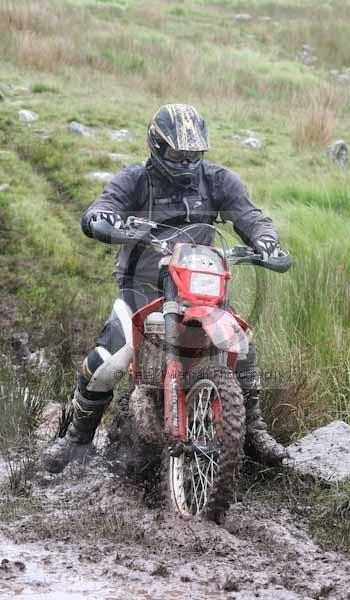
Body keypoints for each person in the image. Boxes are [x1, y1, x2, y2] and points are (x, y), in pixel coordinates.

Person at [42, 103, 288, 474]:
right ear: (157, 147)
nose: (187, 162)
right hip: (142, 288)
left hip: (199, 287)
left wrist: (266, 241)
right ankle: (77, 438)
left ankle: (252, 429)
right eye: (178, 154)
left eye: (194, 154)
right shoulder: (135, 179)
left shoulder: (218, 179)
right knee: (110, 362)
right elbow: (104, 206)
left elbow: (250, 215)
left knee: (241, 344)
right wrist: (102, 219)